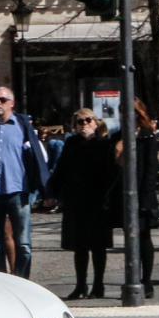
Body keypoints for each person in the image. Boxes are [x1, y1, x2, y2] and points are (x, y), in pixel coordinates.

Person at [0, 86, 50, 277]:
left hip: (18, 193)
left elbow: (38, 159)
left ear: (12, 104)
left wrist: (46, 191)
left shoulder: (22, 127)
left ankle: (23, 281)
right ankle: (2, 282)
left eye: (2, 100)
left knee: (23, 243)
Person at [45, 109, 115, 299]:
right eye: (79, 121)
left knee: (98, 246)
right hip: (76, 201)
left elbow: (110, 172)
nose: (84, 124)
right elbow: (60, 170)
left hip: (97, 202)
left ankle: (98, 285)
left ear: (95, 122)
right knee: (79, 246)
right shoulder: (71, 143)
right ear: (74, 126)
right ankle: (81, 285)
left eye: (88, 120)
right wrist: (51, 192)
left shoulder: (104, 143)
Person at [111, 99, 159, 298]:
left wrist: (145, 197)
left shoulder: (147, 136)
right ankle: (132, 277)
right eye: (122, 112)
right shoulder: (117, 136)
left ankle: (146, 281)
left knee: (144, 237)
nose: (124, 116)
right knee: (129, 238)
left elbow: (151, 168)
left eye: (129, 112)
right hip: (122, 195)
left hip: (142, 194)